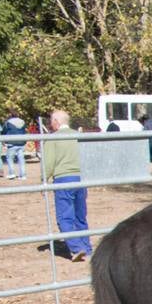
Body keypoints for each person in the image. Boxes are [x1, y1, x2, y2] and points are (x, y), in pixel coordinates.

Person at [42, 110, 92, 262]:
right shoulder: (78, 136)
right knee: (80, 215)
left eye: (51, 121)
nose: (51, 124)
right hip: (80, 179)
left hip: (63, 179)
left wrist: (44, 180)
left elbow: (48, 162)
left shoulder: (53, 139)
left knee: (64, 217)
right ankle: (87, 247)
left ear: (56, 121)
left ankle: (76, 249)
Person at [2, 113, 27, 180]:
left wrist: (3, 138)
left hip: (12, 142)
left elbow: (4, 131)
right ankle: (23, 175)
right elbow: (24, 131)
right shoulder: (22, 122)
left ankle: (12, 173)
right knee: (21, 159)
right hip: (21, 142)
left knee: (10, 158)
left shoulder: (8, 122)